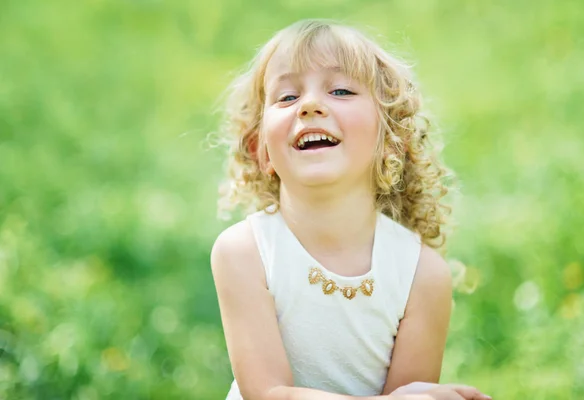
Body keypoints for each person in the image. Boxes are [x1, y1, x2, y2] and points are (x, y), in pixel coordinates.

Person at [210, 19, 491, 400]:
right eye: (287, 97)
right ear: (262, 150)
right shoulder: (245, 252)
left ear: (390, 139)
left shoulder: (422, 276)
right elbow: (269, 393)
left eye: (341, 90)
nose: (309, 105)